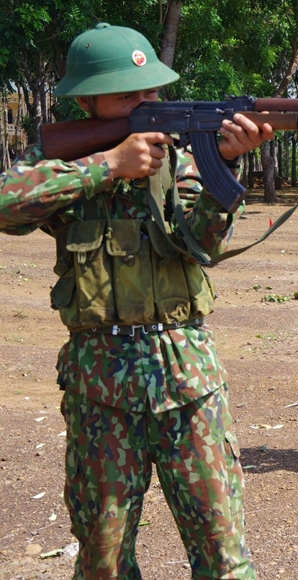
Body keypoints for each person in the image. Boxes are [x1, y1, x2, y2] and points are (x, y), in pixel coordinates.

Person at [0, 24, 272, 578]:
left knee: (225, 559)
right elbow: (7, 203)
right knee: (102, 561)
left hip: (188, 382)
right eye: (128, 95)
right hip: (98, 389)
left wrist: (229, 170)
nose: (145, 104)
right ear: (87, 101)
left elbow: (201, 246)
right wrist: (107, 165)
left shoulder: (186, 157)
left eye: (150, 92)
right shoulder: (66, 159)